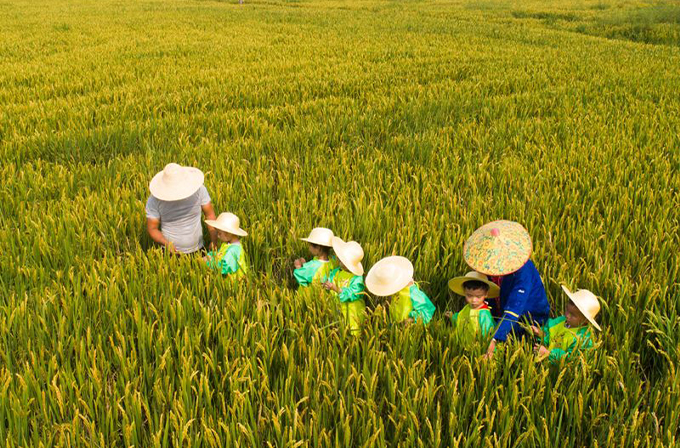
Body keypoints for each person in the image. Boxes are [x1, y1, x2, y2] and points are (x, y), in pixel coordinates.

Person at [463, 220, 550, 359]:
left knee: (495, 338)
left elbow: (514, 309)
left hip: (527, 317)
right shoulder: (488, 266)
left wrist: (494, 339)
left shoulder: (523, 272)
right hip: (502, 309)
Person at [145, 163, 217, 254]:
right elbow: (152, 228)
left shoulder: (199, 190)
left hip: (198, 249)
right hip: (170, 253)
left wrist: (214, 241)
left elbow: (210, 215)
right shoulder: (155, 199)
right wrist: (166, 243)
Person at [532, 285, 601, 363]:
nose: (567, 315)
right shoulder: (560, 321)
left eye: (573, 315)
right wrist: (541, 334)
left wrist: (548, 354)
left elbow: (572, 360)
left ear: (586, 321)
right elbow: (552, 337)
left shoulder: (583, 340)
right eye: (567, 310)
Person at [365, 256, 435, 325]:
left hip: (410, 331)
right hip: (395, 326)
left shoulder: (414, 293)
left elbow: (427, 311)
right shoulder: (397, 290)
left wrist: (411, 320)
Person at [322, 237, 366, 333]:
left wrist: (336, 289)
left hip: (352, 312)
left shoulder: (356, 278)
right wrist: (325, 283)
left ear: (347, 264)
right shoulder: (337, 271)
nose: (337, 259)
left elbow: (354, 294)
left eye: (341, 259)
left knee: (352, 332)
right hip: (337, 308)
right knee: (338, 330)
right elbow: (329, 279)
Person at [445, 271, 499, 343]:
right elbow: (461, 318)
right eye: (469, 295)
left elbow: (488, 334)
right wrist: (453, 316)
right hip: (462, 344)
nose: (473, 300)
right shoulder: (467, 307)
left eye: (478, 296)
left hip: (475, 348)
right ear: (464, 292)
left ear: (486, 294)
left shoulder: (484, 314)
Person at [204, 212, 249, 278]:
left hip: (232, 284)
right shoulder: (227, 244)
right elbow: (219, 253)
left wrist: (208, 263)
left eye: (219, 233)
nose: (218, 236)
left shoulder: (233, 250)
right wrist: (209, 255)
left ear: (228, 233)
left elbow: (225, 267)